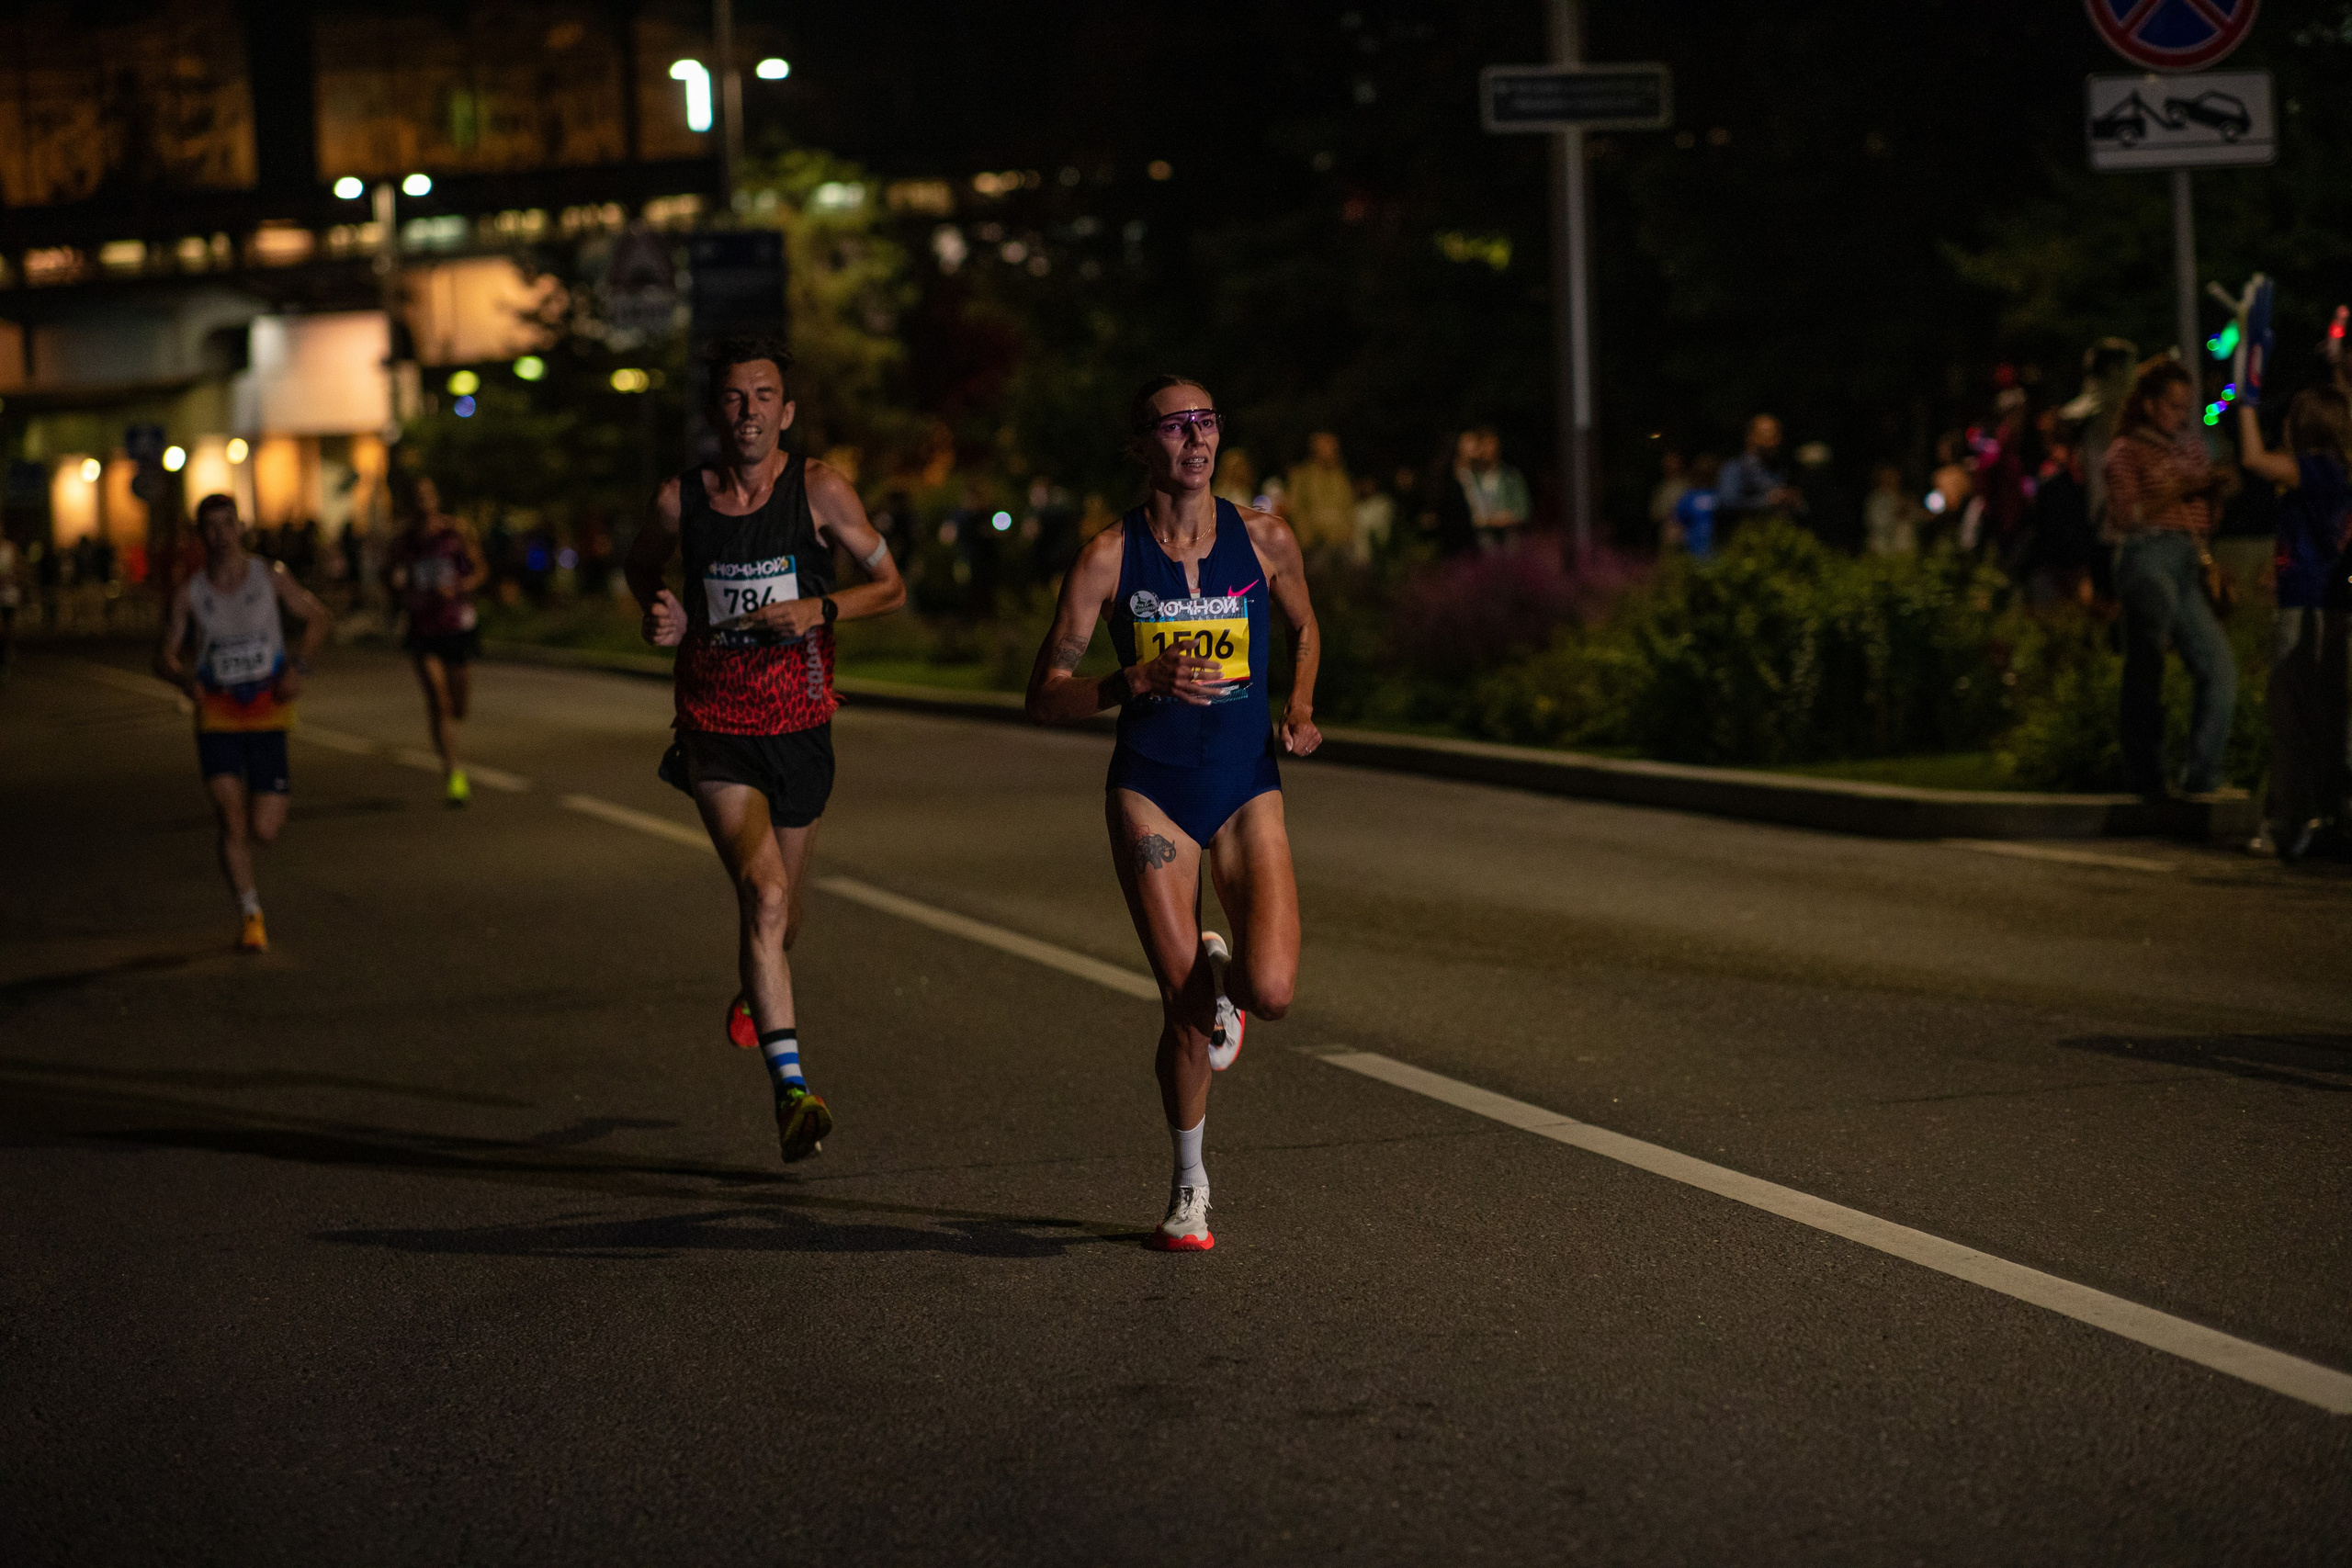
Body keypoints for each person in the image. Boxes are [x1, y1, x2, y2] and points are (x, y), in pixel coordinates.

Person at [1024, 375, 1322, 1253]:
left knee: (1267, 993)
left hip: (1245, 782)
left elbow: (1307, 628)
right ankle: (1189, 1186)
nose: (1196, 438)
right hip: (1152, 787)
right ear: (1141, 445)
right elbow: (1043, 694)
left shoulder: (1263, 538)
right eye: (1176, 425)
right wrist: (1131, 682)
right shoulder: (1108, 559)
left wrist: (1300, 709)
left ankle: (1226, 977)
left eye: (1208, 422)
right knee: (1186, 1005)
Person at [627, 334, 906, 1165]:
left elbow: (890, 586)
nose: (748, 413)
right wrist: (661, 611)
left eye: (763, 397)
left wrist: (821, 612)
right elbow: (642, 569)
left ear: (786, 411)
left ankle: (762, 985)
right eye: (734, 397)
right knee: (766, 893)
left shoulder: (820, 489)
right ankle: (792, 1089)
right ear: (717, 411)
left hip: (802, 726)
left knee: (787, 916)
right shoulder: (682, 502)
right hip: (717, 728)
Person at [154, 493, 330, 953]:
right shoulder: (190, 592)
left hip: (268, 710)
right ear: (201, 534)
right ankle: (252, 915)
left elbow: (317, 618)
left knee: (264, 831)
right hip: (217, 714)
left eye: (226, 524)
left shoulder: (268, 577)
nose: (219, 535)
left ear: (240, 528)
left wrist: (300, 669)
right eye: (209, 527)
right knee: (231, 822)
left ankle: (251, 896)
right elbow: (166, 654)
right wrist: (182, 677)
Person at [2103, 357, 2238, 797]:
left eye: (2187, 406)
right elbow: (2125, 516)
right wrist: (2181, 489)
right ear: (2148, 404)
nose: (2181, 416)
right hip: (2147, 556)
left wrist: (2215, 495)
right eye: (2173, 405)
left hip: (2186, 558)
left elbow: (2204, 519)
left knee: (2218, 668)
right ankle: (2145, 774)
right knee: (2148, 663)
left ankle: (2202, 774)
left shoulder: (2192, 447)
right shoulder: (2126, 450)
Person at [2237, 383, 2351, 860]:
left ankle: (2285, 822)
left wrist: (2244, 402)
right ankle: (2326, 819)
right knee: (2324, 717)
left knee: (2290, 717)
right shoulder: (2335, 474)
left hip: (2307, 604)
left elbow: (2254, 459)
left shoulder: (2319, 469)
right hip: (2327, 602)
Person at [384, 476, 488, 805]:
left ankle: (451, 742)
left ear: (436, 498)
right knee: (438, 702)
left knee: (459, 707)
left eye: (427, 495)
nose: (422, 501)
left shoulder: (455, 532)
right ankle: (454, 773)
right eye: (416, 496)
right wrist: (401, 589)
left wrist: (457, 588)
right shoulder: (403, 542)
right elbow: (389, 578)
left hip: (456, 625)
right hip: (422, 628)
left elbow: (480, 570)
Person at [1715, 414, 1804, 537]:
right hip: (1746, 542)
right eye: (1768, 436)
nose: (1774, 442)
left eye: (1777, 435)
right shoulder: (1734, 469)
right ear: (1751, 437)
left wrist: (1792, 500)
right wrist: (1766, 502)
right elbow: (1727, 504)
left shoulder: (1781, 470)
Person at [1283, 432, 1354, 557]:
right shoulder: (1302, 476)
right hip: (1315, 544)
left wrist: (1348, 533)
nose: (1331, 450)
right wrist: (1307, 538)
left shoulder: (1341, 477)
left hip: (1341, 542)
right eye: (1325, 446)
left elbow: (1349, 507)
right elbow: (1296, 509)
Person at [1461, 427, 1530, 552]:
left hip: (1508, 538)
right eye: (1483, 445)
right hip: (1479, 538)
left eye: (1491, 444)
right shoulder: (1471, 478)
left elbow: (1523, 511)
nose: (1488, 450)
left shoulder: (1511, 477)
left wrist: (1505, 518)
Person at [1863, 465, 1921, 558]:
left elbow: (1917, 519)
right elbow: (1875, 524)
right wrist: (1894, 514)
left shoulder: (1906, 498)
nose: (1891, 479)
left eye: (1894, 476)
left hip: (1905, 549)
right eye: (1887, 476)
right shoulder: (1875, 499)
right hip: (1882, 550)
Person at [1673, 455, 1723, 559]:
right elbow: (1677, 527)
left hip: (1719, 552)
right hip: (1694, 553)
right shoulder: (1689, 498)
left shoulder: (1722, 495)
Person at [0, 531, 19, 672]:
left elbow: (19, 568)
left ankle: (7, 651)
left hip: (9, 592)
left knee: (8, 623)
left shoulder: (10, 548)